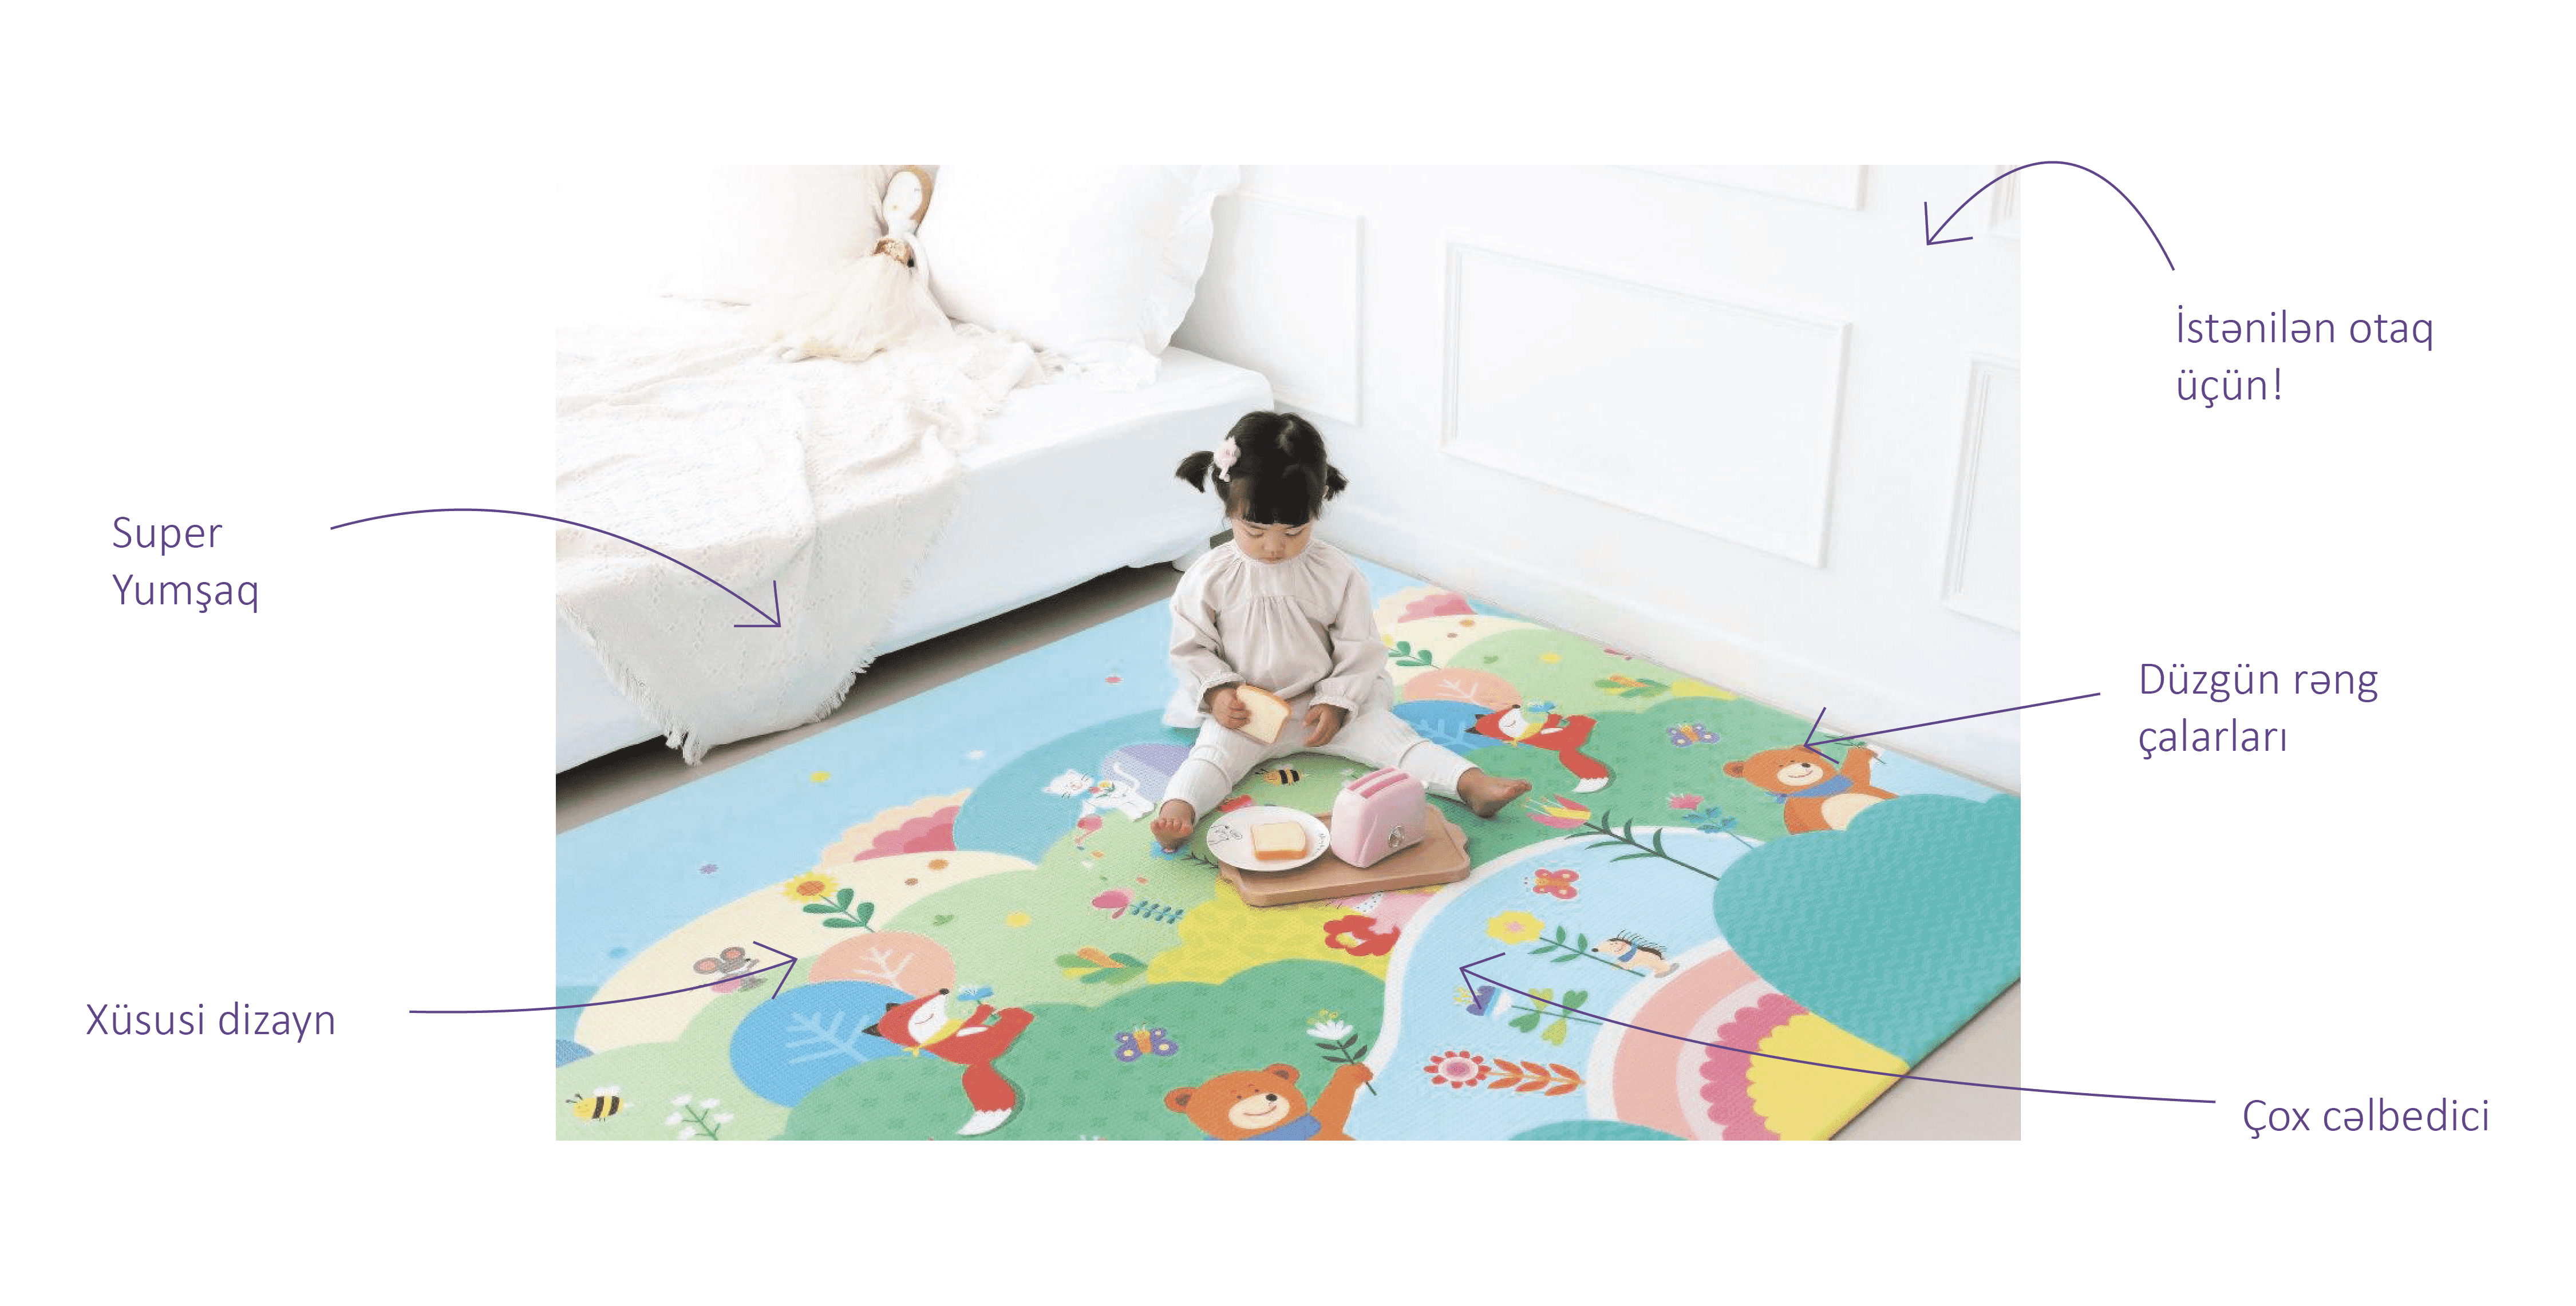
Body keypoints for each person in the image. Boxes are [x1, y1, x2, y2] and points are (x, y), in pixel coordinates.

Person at [1151, 411, 1531, 852]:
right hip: (1248, 711)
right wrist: (1219, 693)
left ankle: (1471, 783)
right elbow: (1192, 648)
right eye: (1254, 530)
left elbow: (1360, 647)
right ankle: (1179, 809)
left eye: (1294, 531)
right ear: (1228, 507)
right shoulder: (1208, 577)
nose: (1274, 546)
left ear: (1318, 507)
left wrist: (1337, 701)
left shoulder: (1336, 573)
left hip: (1326, 706)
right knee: (1212, 755)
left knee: (1392, 739)